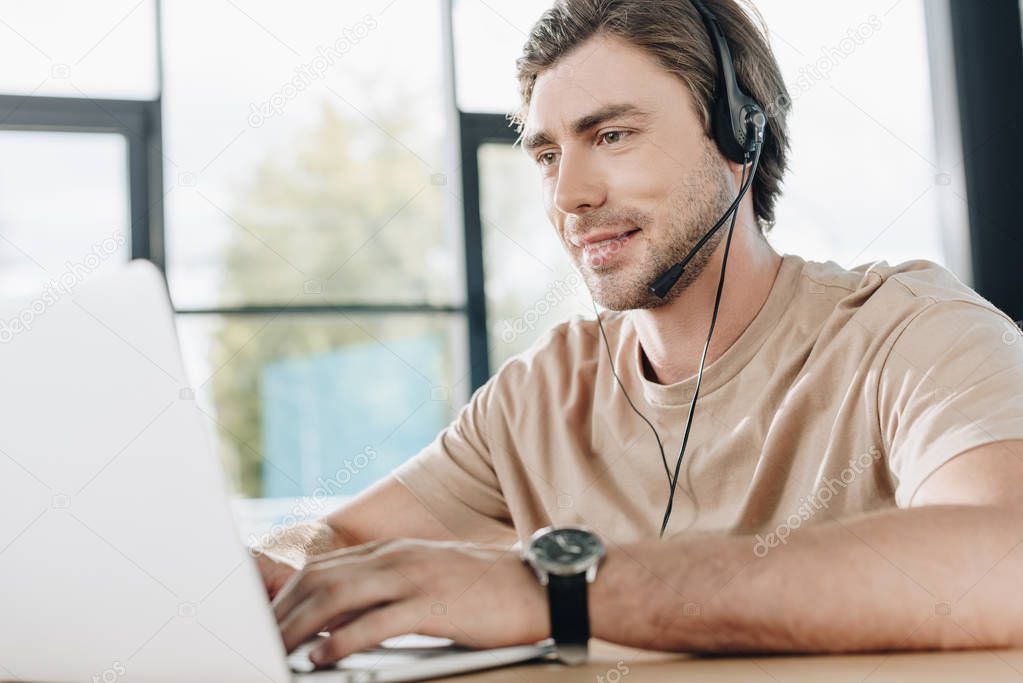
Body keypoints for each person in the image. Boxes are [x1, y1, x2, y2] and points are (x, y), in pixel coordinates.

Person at [258, 0, 1023, 667]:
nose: (569, 195)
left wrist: (557, 590)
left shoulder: (910, 331)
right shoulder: (539, 393)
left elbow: (1006, 559)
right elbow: (338, 546)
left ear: (738, 136)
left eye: (612, 135)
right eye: (549, 154)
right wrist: (245, 578)